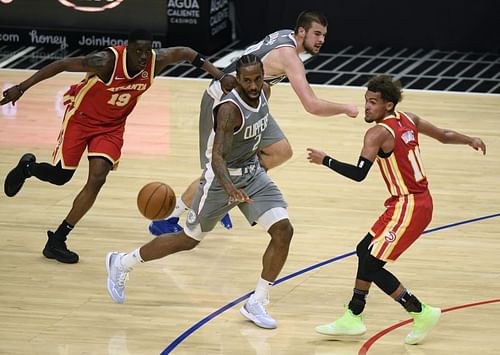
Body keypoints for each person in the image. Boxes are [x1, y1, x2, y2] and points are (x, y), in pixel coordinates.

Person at [1, 29, 233, 264]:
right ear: (127, 49)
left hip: (111, 126)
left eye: (146, 51)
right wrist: (21, 87)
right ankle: (27, 168)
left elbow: (186, 53)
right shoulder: (106, 61)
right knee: (61, 176)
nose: (143, 57)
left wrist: (220, 75)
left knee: (98, 178)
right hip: (81, 119)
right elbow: (61, 64)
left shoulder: (155, 61)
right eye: (137, 51)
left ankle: (58, 239)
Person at [106, 54, 294, 330]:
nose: (253, 86)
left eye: (257, 79)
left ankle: (257, 301)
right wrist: (230, 189)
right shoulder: (230, 110)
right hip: (221, 182)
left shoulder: (264, 92)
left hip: (253, 175)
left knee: (283, 231)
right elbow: (217, 158)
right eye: (247, 81)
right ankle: (122, 262)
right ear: (239, 81)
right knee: (188, 240)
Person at [307, 75, 486, 344]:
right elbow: (444, 135)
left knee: (372, 262)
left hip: (410, 204)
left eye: (373, 102)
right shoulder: (408, 118)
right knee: (363, 250)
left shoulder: (377, 133)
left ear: (388, 106)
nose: (367, 107)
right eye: (366, 101)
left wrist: (326, 160)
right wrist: (469, 139)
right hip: (409, 202)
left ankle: (419, 310)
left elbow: (358, 174)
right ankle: (353, 316)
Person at [149, 10, 359, 236]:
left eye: (324, 35)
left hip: (251, 102)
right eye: (317, 34)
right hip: (224, 103)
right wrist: (345, 108)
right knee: (218, 168)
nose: (321, 40)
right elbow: (312, 105)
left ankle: (231, 187)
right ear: (301, 32)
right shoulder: (289, 56)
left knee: (281, 151)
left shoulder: (285, 36)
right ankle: (168, 217)